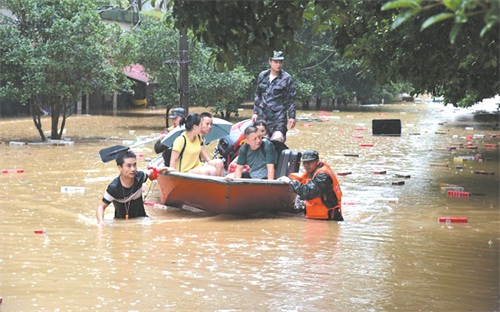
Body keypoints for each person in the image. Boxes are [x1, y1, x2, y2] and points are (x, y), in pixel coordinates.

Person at [96, 150, 165, 225]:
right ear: (120, 168)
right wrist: (101, 224)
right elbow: (101, 207)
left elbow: (151, 172)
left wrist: (162, 171)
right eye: (128, 166)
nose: (133, 169)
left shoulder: (139, 176)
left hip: (142, 221)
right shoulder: (114, 188)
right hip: (121, 224)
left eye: (134, 165)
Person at [278, 150, 343, 221]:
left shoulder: (323, 175)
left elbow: (308, 192)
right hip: (317, 217)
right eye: (304, 162)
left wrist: (290, 182)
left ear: (317, 161)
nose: (306, 165)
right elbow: (303, 182)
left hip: (328, 217)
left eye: (309, 162)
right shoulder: (312, 171)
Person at [252, 50, 296, 143]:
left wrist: (292, 117)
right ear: (270, 62)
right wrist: (255, 112)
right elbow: (258, 95)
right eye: (276, 62)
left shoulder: (287, 78)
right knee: (260, 141)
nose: (278, 65)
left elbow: (291, 100)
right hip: (263, 117)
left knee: (277, 140)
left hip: (279, 117)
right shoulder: (262, 76)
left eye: (280, 62)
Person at [199, 112, 224, 176]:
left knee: (219, 162)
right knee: (215, 167)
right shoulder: (196, 136)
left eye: (211, 124)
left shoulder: (203, 137)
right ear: (200, 124)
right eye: (207, 124)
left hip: (201, 162)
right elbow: (200, 149)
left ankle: (220, 184)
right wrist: (208, 160)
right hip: (195, 164)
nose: (210, 126)